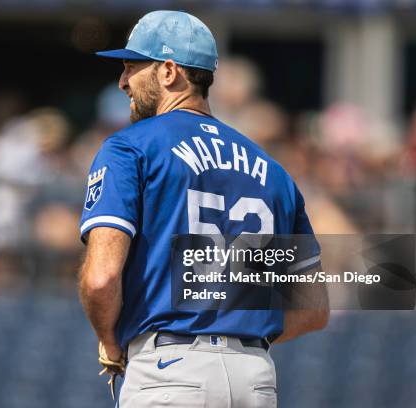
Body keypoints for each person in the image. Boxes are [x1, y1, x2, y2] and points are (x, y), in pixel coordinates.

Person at [78, 10, 328, 407]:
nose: (123, 81)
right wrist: (239, 332)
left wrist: (111, 344)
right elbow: (314, 309)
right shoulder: (274, 170)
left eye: (131, 67)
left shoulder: (129, 148)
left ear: (168, 71)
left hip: (170, 370)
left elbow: (101, 278)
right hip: (255, 377)